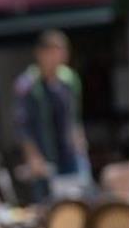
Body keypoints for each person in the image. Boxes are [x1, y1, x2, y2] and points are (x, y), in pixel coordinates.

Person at [14, 30, 90, 199]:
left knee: (79, 200)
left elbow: (74, 117)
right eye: (52, 53)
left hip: (70, 154)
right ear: (40, 54)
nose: (57, 58)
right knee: (50, 206)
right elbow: (22, 125)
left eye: (61, 52)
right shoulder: (27, 84)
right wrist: (33, 156)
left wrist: (80, 142)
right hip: (44, 156)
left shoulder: (69, 80)